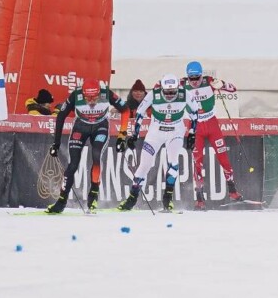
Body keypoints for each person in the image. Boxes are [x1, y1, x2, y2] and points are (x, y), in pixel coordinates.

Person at [116, 74, 200, 212]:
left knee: (173, 162)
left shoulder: (185, 94)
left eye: (173, 92)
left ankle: (167, 200)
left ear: (178, 88)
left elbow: (195, 113)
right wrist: (134, 135)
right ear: (162, 89)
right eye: (166, 92)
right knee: (144, 165)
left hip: (176, 132)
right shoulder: (153, 95)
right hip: (156, 132)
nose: (169, 95)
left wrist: (192, 133)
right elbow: (140, 113)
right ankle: (131, 199)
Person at [46, 79, 129, 214]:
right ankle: (61, 201)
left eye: (94, 97)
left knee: (96, 156)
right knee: (73, 165)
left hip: (100, 127)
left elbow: (125, 110)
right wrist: (56, 142)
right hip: (81, 127)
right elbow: (61, 116)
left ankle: (93, 196)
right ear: (83, 94)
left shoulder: (106, 93)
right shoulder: (76, 95)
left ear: (99, 93)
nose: (91, 101)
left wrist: (122, 135)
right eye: (87, 98)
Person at [181, 61, 243, 210]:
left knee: (223, 157)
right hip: (195, 126)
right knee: (197, 162)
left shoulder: (209, 81)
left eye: (197, 77)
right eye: (191, 78)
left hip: (212, 123)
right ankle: (199, 199)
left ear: (201, 75)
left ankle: (233, 191)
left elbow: (233, 89)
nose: (194, 81)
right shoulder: (181, 84)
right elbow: (161, 90)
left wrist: (221, 84)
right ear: (187, 77)